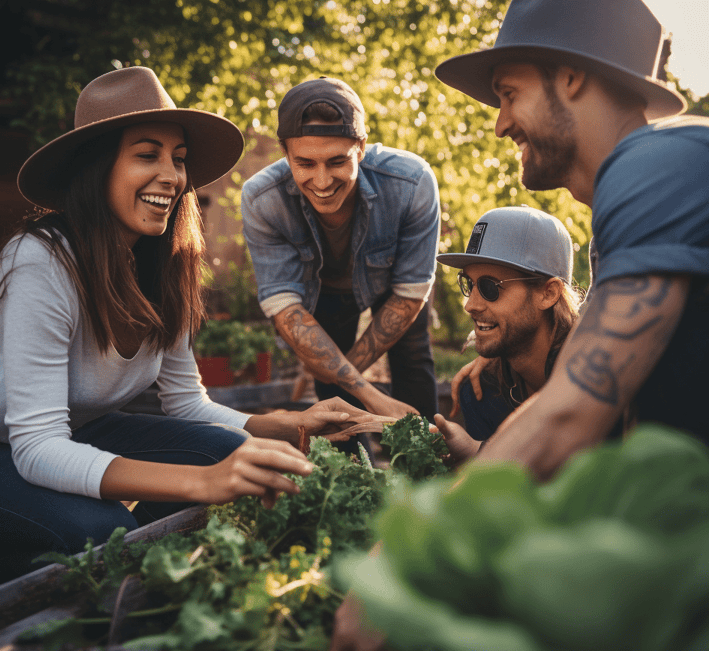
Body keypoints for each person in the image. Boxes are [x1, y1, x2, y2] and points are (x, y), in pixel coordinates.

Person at [330, 0, 708, 645]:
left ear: (571, 79)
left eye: (509, 93)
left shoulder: (654, 165)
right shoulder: (642, 194)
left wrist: (400, 567)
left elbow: (569, 412)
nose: (500, 122)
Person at [0, 67, 370, 583]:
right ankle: (43, 566)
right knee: (102, 534)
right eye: (147, 155)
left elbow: (187, 404)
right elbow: (35, 447)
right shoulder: (40, 262)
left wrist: (288, 422)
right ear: (96, 168)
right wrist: (202, 483)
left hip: (77, 428)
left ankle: (110, 572)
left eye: (179, 159)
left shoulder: (163, 263)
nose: (173, 176)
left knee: (238, 455)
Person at [241, 77, 441, 434]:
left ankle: (427, 471)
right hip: (323, 293)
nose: (321, 181)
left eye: (337, 162)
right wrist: (362, 390)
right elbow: (286, 309)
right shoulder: (262, 200)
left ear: (361, 148)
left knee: (412, 359)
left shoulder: (411, 183)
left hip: (394, 286)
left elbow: (411, 293)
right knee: (331, 385)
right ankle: (353, 477)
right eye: (305, 163)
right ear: (285, 152)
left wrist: (351, 378)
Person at [436, 206, 581, 445]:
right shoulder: (482, 392)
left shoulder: (594, 376)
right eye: (468, 284)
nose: (470, 305)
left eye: (489, 287)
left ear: (548, 293)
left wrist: (477, 454)